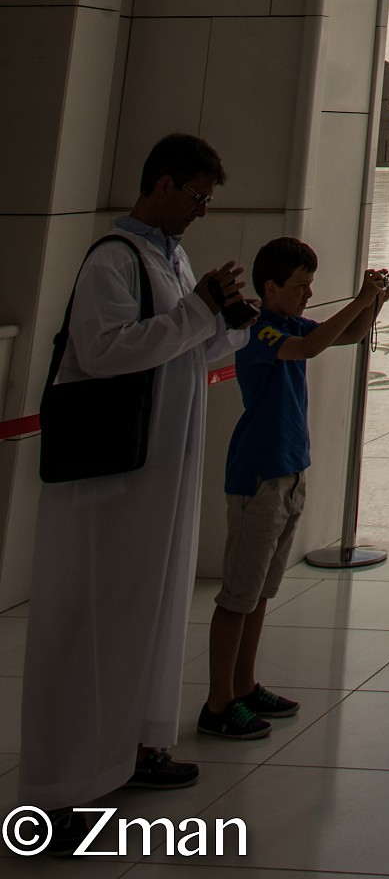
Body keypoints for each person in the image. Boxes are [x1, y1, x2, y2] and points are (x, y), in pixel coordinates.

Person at [20, 135, 254, 853]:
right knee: (89, 623)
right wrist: (196, 312)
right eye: (196, 196)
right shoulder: (112, 260)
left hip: (159, 473)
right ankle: (57, 790)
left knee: (149, 614)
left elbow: (180, 348)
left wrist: (227, 324)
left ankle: (133, 748)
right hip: (109, 483)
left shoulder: (170, 257)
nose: (201, 210)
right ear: (162, 185)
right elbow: (103, 351)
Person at [202, 239, 389, 740]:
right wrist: (359, 299)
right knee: (238, 595)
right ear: (271, 288)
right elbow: (310, 349)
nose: (309, 294)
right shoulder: (256, 328)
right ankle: (218, 702)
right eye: (300, 286)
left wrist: (372, 302)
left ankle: (245, 685)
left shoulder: (289, 324)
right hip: (259, 474)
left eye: (311, 285)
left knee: (261, 591)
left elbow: (348, 336)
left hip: (289, 470)